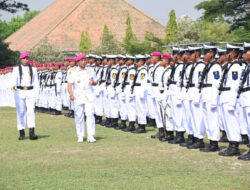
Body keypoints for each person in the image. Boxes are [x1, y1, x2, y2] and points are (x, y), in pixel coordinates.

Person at [68, 54, 98, 143]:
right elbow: (69, 84)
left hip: (89, 95)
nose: (84, 62)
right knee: (79, 116)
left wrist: (93, 83)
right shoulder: (73, 71)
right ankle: (80, 135)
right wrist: (71, 95)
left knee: (90, 115)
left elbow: (95, 81)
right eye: (82, 60)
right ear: (78, 62)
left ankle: (90, 135)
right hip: (78, 96)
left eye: (85, 60)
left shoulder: (91, 70)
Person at [11, 52, 39, 140]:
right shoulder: (16, 69)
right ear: (21, 59)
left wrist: (37, 95)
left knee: (31, 111)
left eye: (27, 58)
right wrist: (16, 93)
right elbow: (13, 83)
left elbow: (36, 83)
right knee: (21, 112)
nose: (26, 60)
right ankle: (21, 132)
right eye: (24, 58)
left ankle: (32, 132)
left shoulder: (33, 69)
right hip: (20, 91)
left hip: (30, 91)